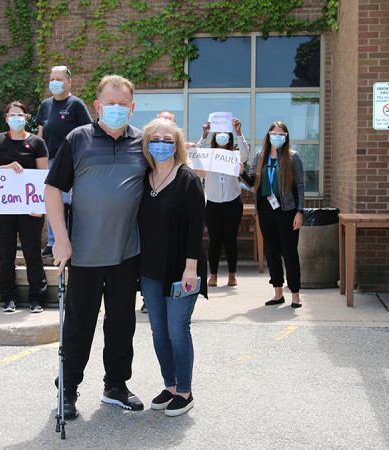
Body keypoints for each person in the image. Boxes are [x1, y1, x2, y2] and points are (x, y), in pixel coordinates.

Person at [45, 74, 147, 420]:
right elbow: (52, 190)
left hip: (126, 253)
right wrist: (61, 238)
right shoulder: (78, 138)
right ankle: (69, 390)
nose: (116, 109)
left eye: (123, 104)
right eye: (110, 103)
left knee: (122, 325)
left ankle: (115, 386)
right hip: (85, 254)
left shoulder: (144, 144)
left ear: (132, 108)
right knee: (79, 325)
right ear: (97, 106)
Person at [138, 118, 207, 417]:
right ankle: (169, 385)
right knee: (158, 331)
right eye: (155, 138)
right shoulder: (143, 177)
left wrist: (190, 268)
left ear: (176, 143)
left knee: (177, 329)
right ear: (147, 143)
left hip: (182, 268)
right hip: (151, 268)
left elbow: (196, 228)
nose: (161, 144)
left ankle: (185, 390)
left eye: (168, 139)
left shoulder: (187, 178)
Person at [0, 102, 48, 313]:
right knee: (6, 253)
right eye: (12, 115)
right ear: (6, 118)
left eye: (20, 115)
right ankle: (8, 297)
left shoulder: (37, 142)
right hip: (4, 207)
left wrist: (40, 206)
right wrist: (5, 168)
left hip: (30, 208)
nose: (16, 118)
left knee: (32, 252)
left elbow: (42, 178)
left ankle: (36, 297)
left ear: (27, 118)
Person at [242, 122, 304, 307]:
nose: (277, 136)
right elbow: (252, 183)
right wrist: (242, 173)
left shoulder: (293, 157)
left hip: (287, 209)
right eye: (274, 133)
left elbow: (300, 186)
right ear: (268, 135)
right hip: (265, 208)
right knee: (272, 251)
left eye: (281, 134)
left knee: (290, 252)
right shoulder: (260, 156)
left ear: (286, 137)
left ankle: (295, 295)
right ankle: (278, 293)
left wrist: (300, 212)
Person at [36, 65, 92, 258]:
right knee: (53, 204)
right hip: (50, 162)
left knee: (71, 205)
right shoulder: (45, 105)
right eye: (52, 79)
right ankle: (53, 243)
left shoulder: (76, 104)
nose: (54, 83)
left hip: (73, 162)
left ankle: (72, 243)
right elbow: (41, 134)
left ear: (69, 82)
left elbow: (88, 134)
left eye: (59, 79)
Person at [197, 117, 250, 287]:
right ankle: (213, 275)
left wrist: (239, 132)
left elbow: (245, 155)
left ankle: (232, 275)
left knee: (230, 239)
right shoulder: (208, 155)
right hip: (212, 203)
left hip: (232, 202)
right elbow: (196, 156)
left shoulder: (234, 155)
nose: (222, 137)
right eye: (218, 134)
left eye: (225, 135)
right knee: (214, 240)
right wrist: (204, 135)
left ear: (229, 137)